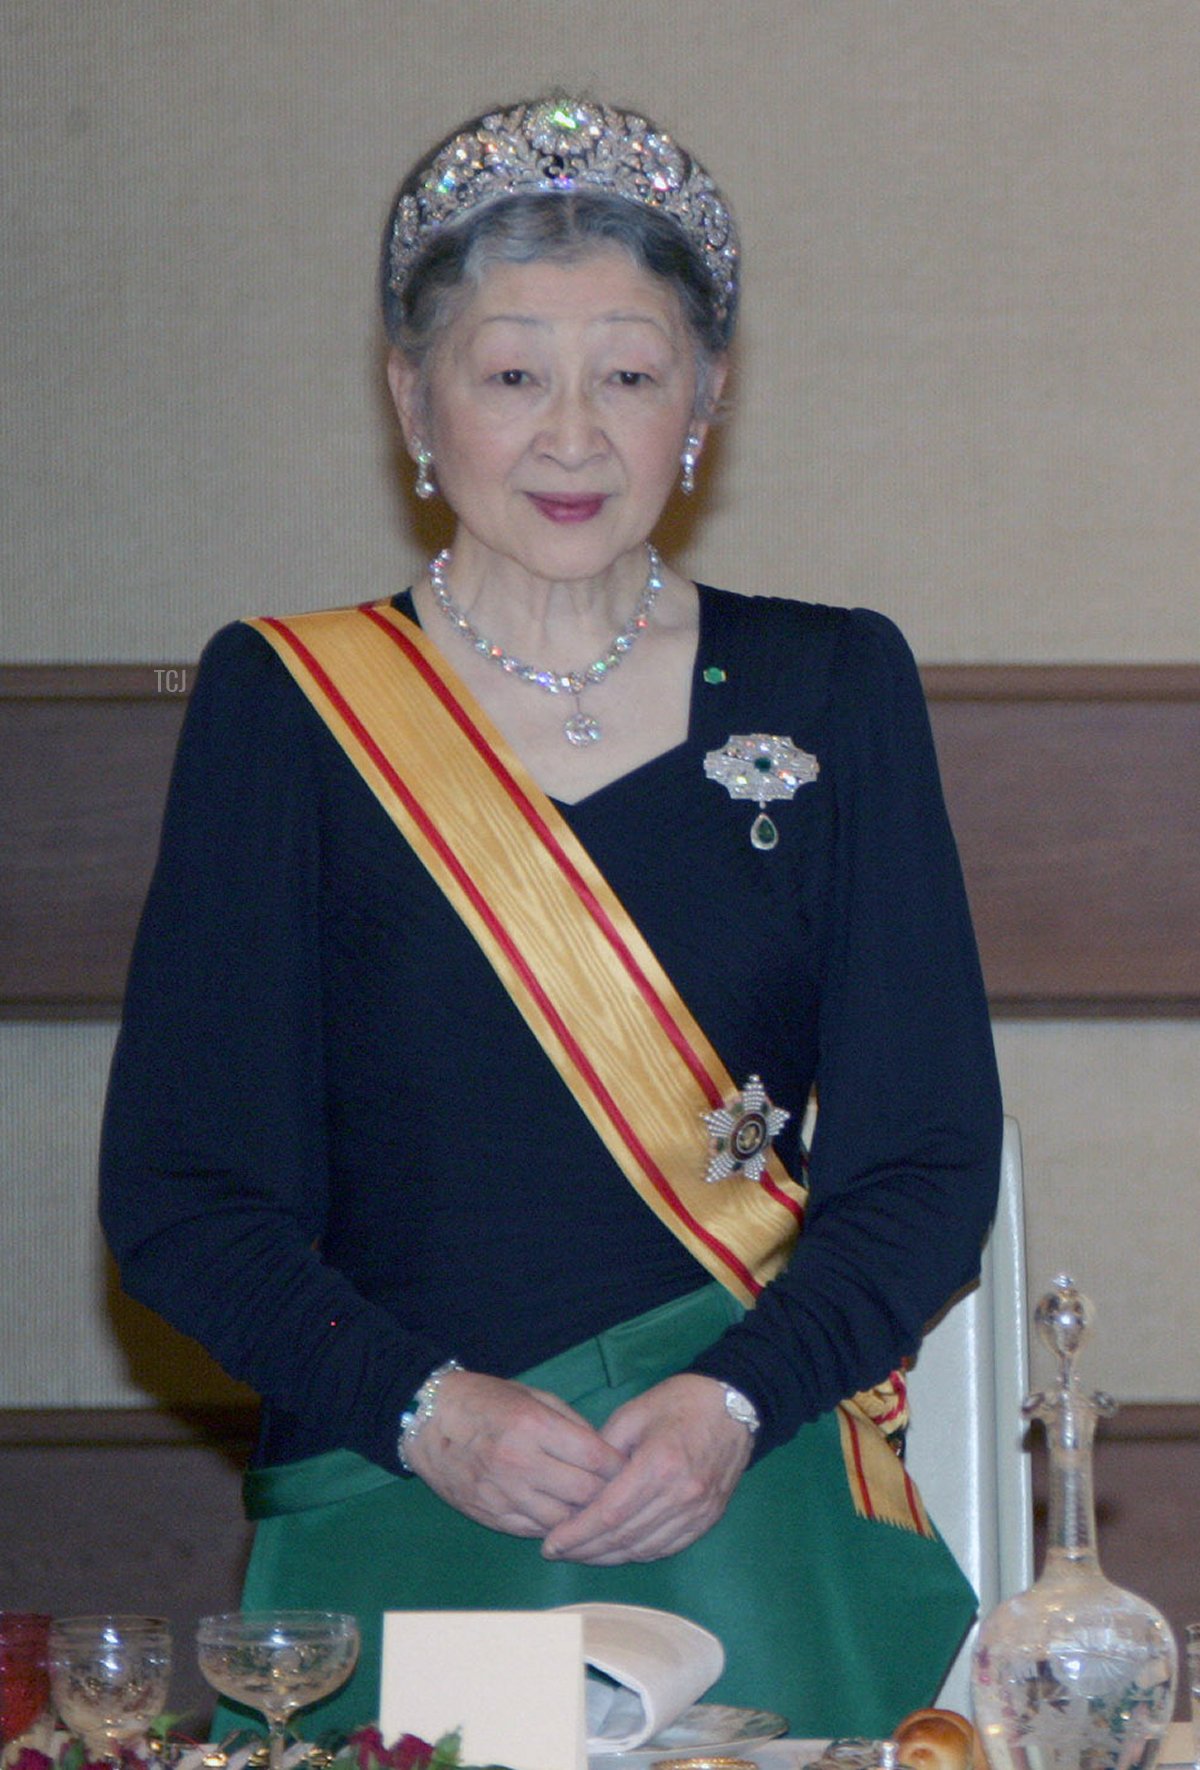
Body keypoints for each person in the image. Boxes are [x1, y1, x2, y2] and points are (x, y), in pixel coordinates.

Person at [100, 95, 1002, 1739]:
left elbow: (930, 1157)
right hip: (401, 1495)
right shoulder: (287, 705)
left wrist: (737, 1398)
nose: (574, 434)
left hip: (740, 1494)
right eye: (513, 373)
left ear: (706, 401)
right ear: (412, 399)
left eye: (633, 374)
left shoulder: (835, 683)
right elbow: (178, 1191)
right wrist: (425, 1409)